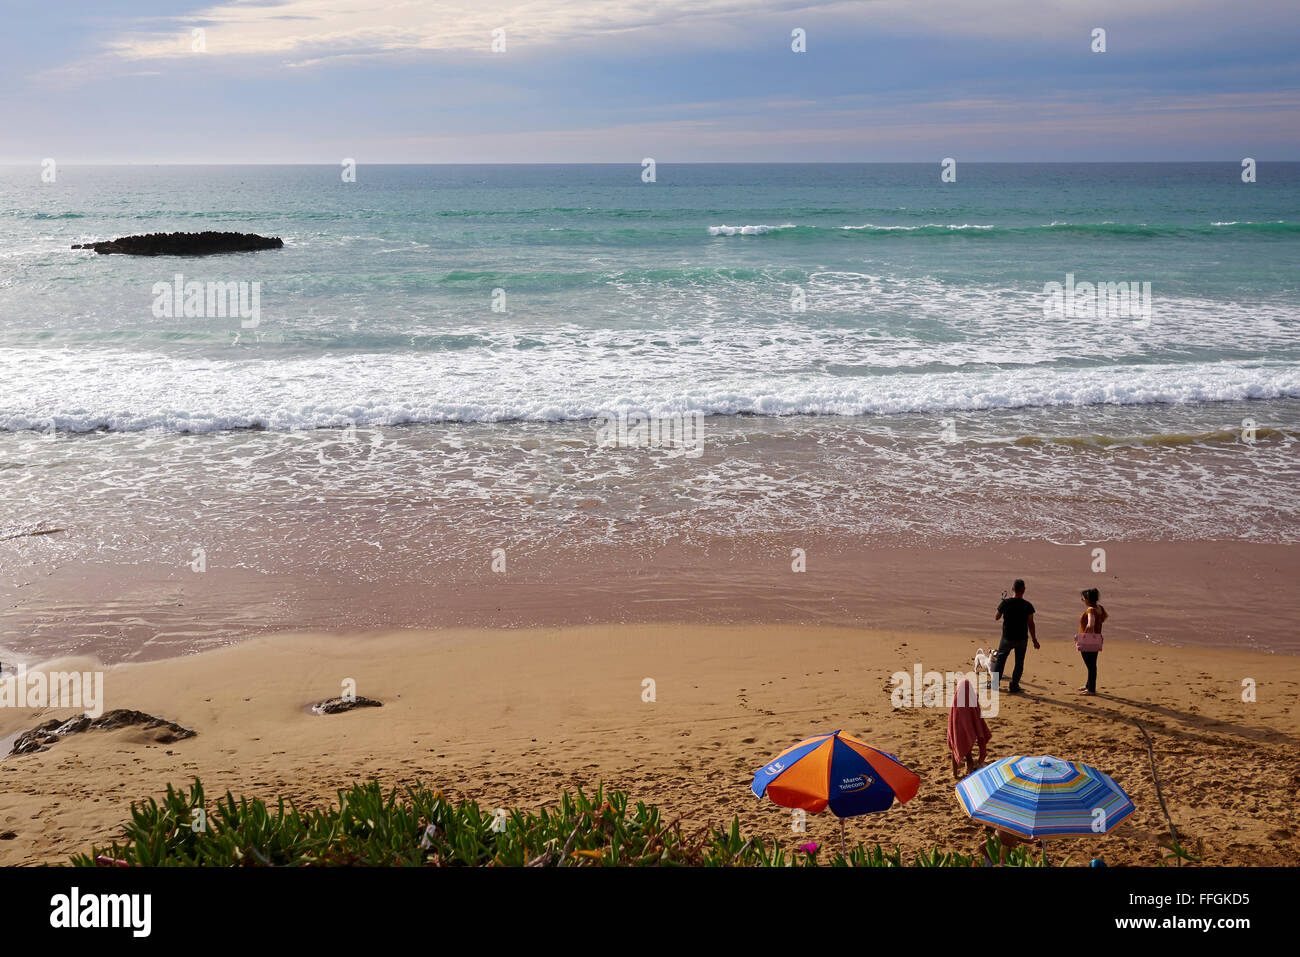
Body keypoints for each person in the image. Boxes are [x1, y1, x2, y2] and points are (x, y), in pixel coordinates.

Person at [993, 579, 1038, 693]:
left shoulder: (1006, 603)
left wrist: (1002, 603)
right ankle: (1014, 685)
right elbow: (1031, 624)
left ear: (1012, 589)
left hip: (1007, 637)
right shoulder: (1028, 605)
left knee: (1001, 660)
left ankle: (995, 684)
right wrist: (1034, 640)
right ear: (1024, 590)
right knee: (1019, 662)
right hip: (1021, 638)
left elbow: (996, 617)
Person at [946, 677, 991, 778]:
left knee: (954, 751)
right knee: (968, 755)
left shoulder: (956, 701)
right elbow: (977, 715)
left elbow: (951, 719)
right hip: (969, 733)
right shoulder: (971, 701)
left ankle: (955, 773)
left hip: (957, 733)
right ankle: (970, 773)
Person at [1076, 587, 1108, 695]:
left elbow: (1090, 624)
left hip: (1088, 641)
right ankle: (1088, 685)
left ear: (1088, 599)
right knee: (1092, 664)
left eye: (1083, 598)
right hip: (1096, 639)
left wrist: (1084, 635)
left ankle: (1091, 690)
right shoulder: (1100, 608)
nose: (1082, 600)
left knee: (1090, 666)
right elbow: (1104, 617)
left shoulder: (1090, 609)